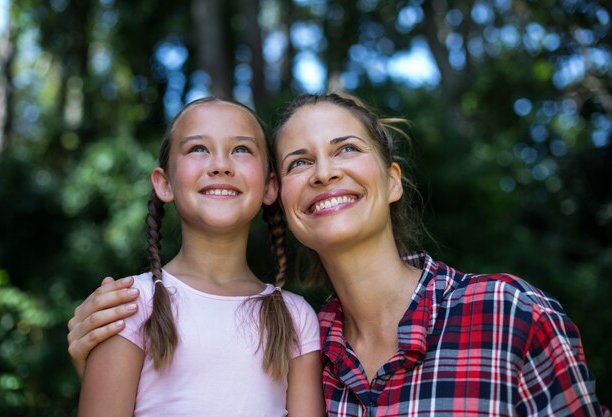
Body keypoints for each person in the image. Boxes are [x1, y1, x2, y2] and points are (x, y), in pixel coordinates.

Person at [69, 93, 608, 417]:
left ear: (393, 180)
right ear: (282, 190)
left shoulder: (510, 315)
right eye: (301, 161)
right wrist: (101, 365)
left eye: (346, 149)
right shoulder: (317, 346)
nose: (325, 172)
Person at [75, 97, 324, 417]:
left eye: (241, 150)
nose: (220, 164)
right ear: (165, 183)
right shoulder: (130, 303)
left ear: (269, 186)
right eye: (198, 149)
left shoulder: (296, 317)